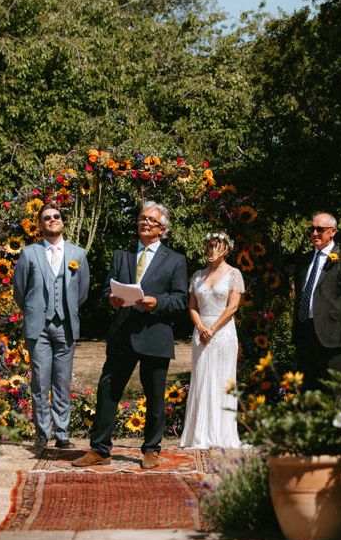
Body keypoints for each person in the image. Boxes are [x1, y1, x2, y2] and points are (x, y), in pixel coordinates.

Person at [73, 201, 188, 469]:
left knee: (155, 396)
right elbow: (105, 290)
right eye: (141, 218)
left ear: (162, 229)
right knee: (107, 391)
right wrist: (111, 299)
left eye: (151, 220)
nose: (145, 222)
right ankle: (100, 449)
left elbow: (181, 300)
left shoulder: (175, 260)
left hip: (155, 334)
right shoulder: (121, 256)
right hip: (122, 334)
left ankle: (151, 449)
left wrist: (156, 302)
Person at [13, 203, 90, 452]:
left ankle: (63, 432)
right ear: (40, 224)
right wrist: (35, 311)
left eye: (57, 216)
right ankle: (43, 433)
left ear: (62, 221)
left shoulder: (77, 254)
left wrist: (66, 309)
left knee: (62, 381)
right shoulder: (29, 253)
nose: (53, 220)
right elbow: (19, 291)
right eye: (47, 217)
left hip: (66, 325)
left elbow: (82, 292)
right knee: (40, 382)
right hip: (39, 328)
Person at [180, 232, 244, 449]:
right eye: (208, 246)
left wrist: (213, 329)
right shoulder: (198, 275)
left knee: (222, 380)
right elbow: (192, 306)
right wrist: (200, 327)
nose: (211, 250)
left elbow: (233, 306)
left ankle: (222, 434)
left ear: (225, 248)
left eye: (215, 246)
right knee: (201, 379)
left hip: (223, 332)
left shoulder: (234, 274)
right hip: (201, 332)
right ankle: (199, 434)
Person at [293, 212, 341, 391]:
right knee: (308, 394)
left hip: (332, 338)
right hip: (305, 335)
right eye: (312, 229)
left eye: (320, 229)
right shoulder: (303, 261)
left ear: (333, 232)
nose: (314, 233)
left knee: (336, 392)